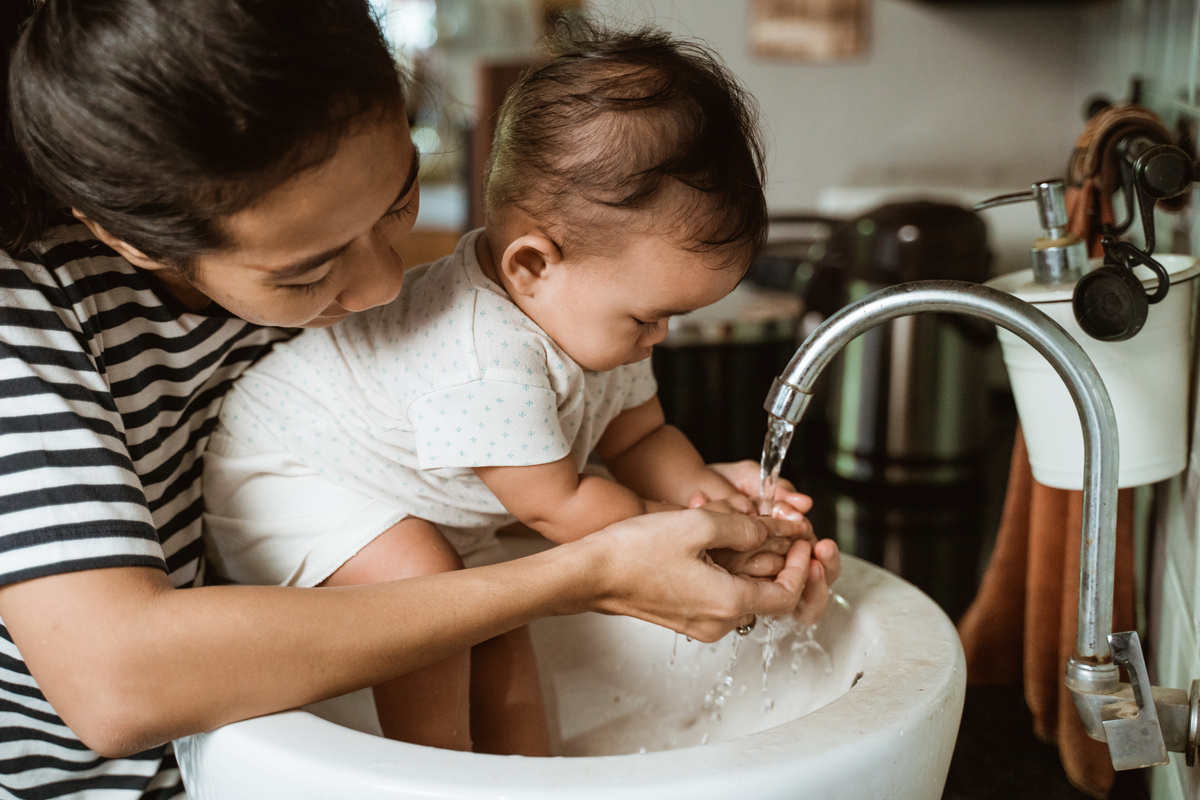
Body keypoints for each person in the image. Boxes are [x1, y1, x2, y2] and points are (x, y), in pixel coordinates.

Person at [0, 1, 839, 797]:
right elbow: (117, 688)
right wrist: (604, 558)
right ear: (131, 239)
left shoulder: (537, 315)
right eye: (307, 270)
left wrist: (700, 508)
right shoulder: (28, 322)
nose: (383, 287)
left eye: (399, 199)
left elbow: (559, 459)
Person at [202, 19, 836, 755]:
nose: (659, 336)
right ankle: (437, 771)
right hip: (289, 478)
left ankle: (530, 771)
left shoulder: (595, 315)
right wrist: (686, 531)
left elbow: (641, 435)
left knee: (496, 620)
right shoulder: (483, 354)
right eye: (650, 315)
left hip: (401, 490)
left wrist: (709, 497)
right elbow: (559, 507)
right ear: (533, 266)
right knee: (427, 588)